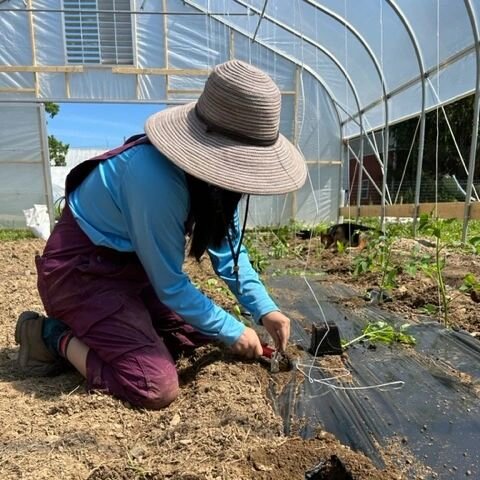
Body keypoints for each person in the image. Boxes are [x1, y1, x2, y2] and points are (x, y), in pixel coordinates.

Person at [15, 60, 307, 409]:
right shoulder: (154, 177)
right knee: (153, 385)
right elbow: (170, 285)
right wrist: (232, 329)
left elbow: (228, 251)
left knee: (195, 333)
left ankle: (112, 329)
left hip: (133, 278)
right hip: (81, 277)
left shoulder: (210, 185)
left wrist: (265, 309)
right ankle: (50, 335)